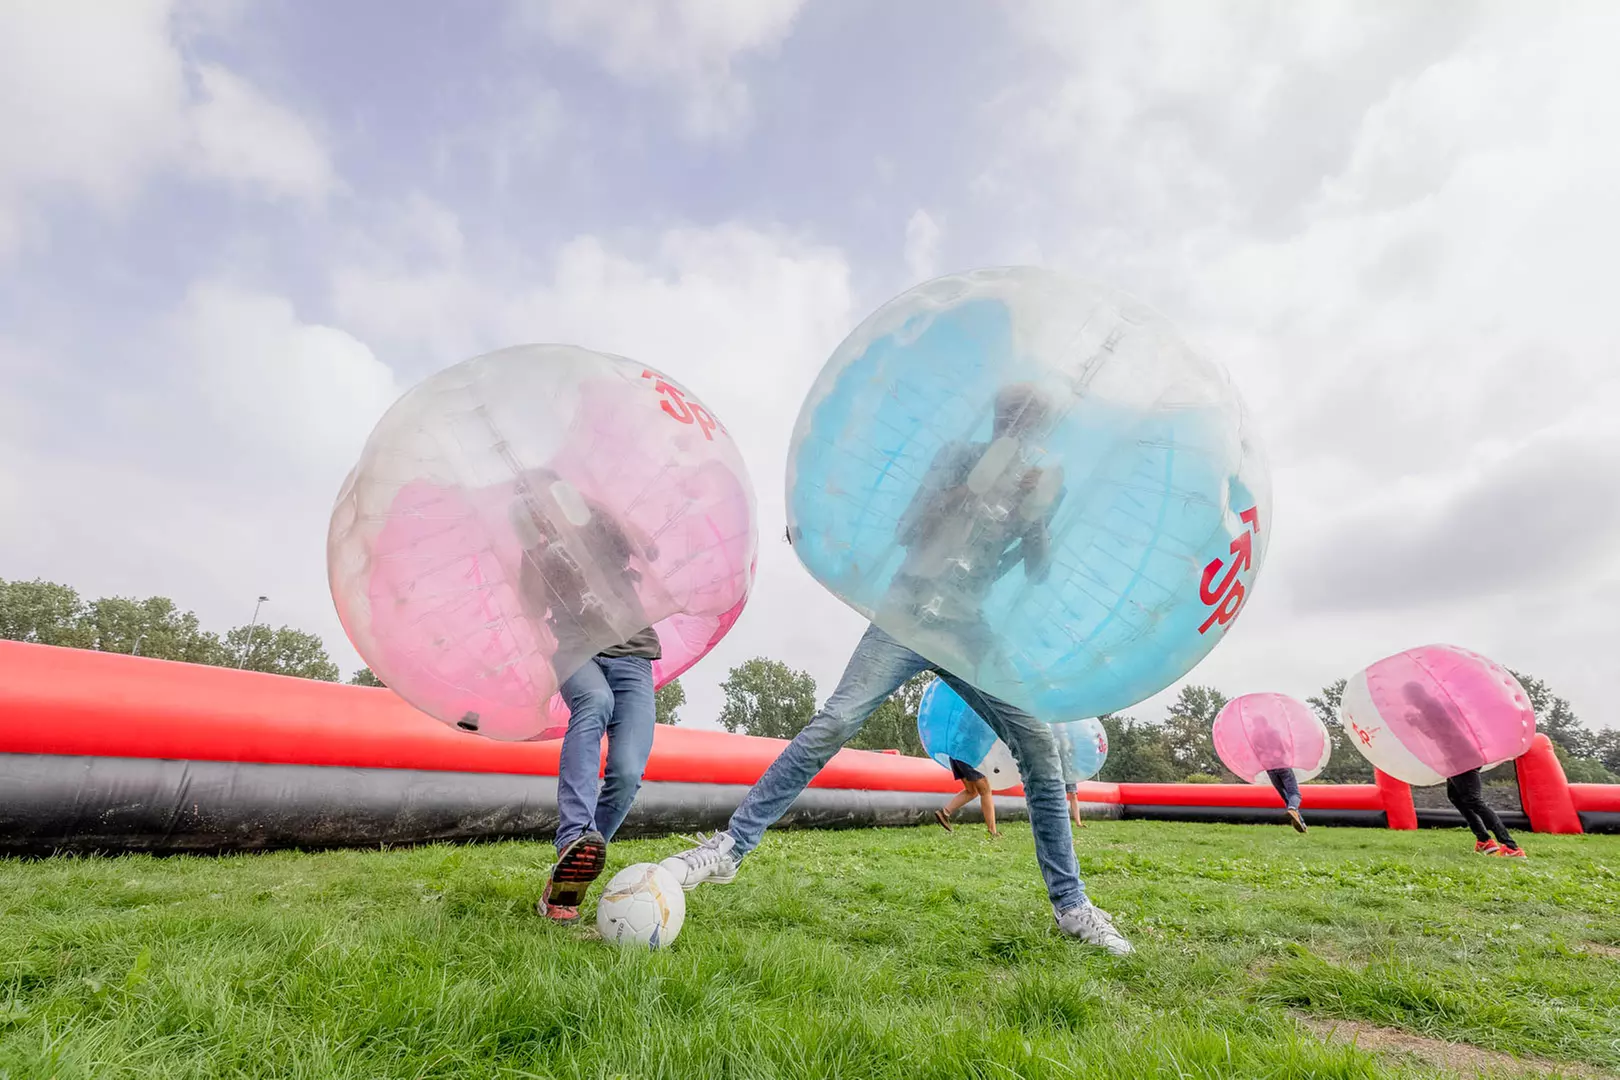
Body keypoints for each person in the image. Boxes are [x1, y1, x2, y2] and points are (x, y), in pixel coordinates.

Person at [661, 385, 1133, 956]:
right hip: (908, 612)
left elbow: (1035, 570)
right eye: (1012, 417)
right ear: (998, 416)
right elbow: (907, 531)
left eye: (1032, 422)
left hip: (967, 626)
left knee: (1039, 744)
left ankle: (1071, 904)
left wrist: (1033, 515)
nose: (1021, 428)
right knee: (834, 722)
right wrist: (967, 491)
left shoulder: (1041, 485)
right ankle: (731, 848)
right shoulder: (960, 455)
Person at [511, 474, 667, 922]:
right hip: (576, 653)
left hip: (632, 653)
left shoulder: (599, 524)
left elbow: (647, 547)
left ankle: (569, 875)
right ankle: (572, 838)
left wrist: (593, 506)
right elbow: (528, 608)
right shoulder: (535, 552)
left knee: (627, 772)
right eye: (532, 506)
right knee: (595, 702)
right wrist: (534, 552)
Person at [1446, 766, 1526, 857]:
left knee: (1474, 801)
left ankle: (1511, 847)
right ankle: (1484, 840)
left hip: (1462, 761)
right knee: (1456, 797)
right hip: (1453, 760)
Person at [1249, 720, 1307, 834]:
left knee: (1286, 797)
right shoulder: (1273, 733)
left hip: (1270, 769)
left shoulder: (1255, 737)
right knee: (1294, 794)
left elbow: (1257, 753)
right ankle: (1293, 811)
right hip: (1282, 765)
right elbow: (1283, 747)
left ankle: (1302, 825)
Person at [934, 757, 1000, 838]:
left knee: (972, 791)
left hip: (955, 756)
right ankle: (993, 832)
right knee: (985, 791)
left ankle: (945, 812)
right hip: (969, 755)